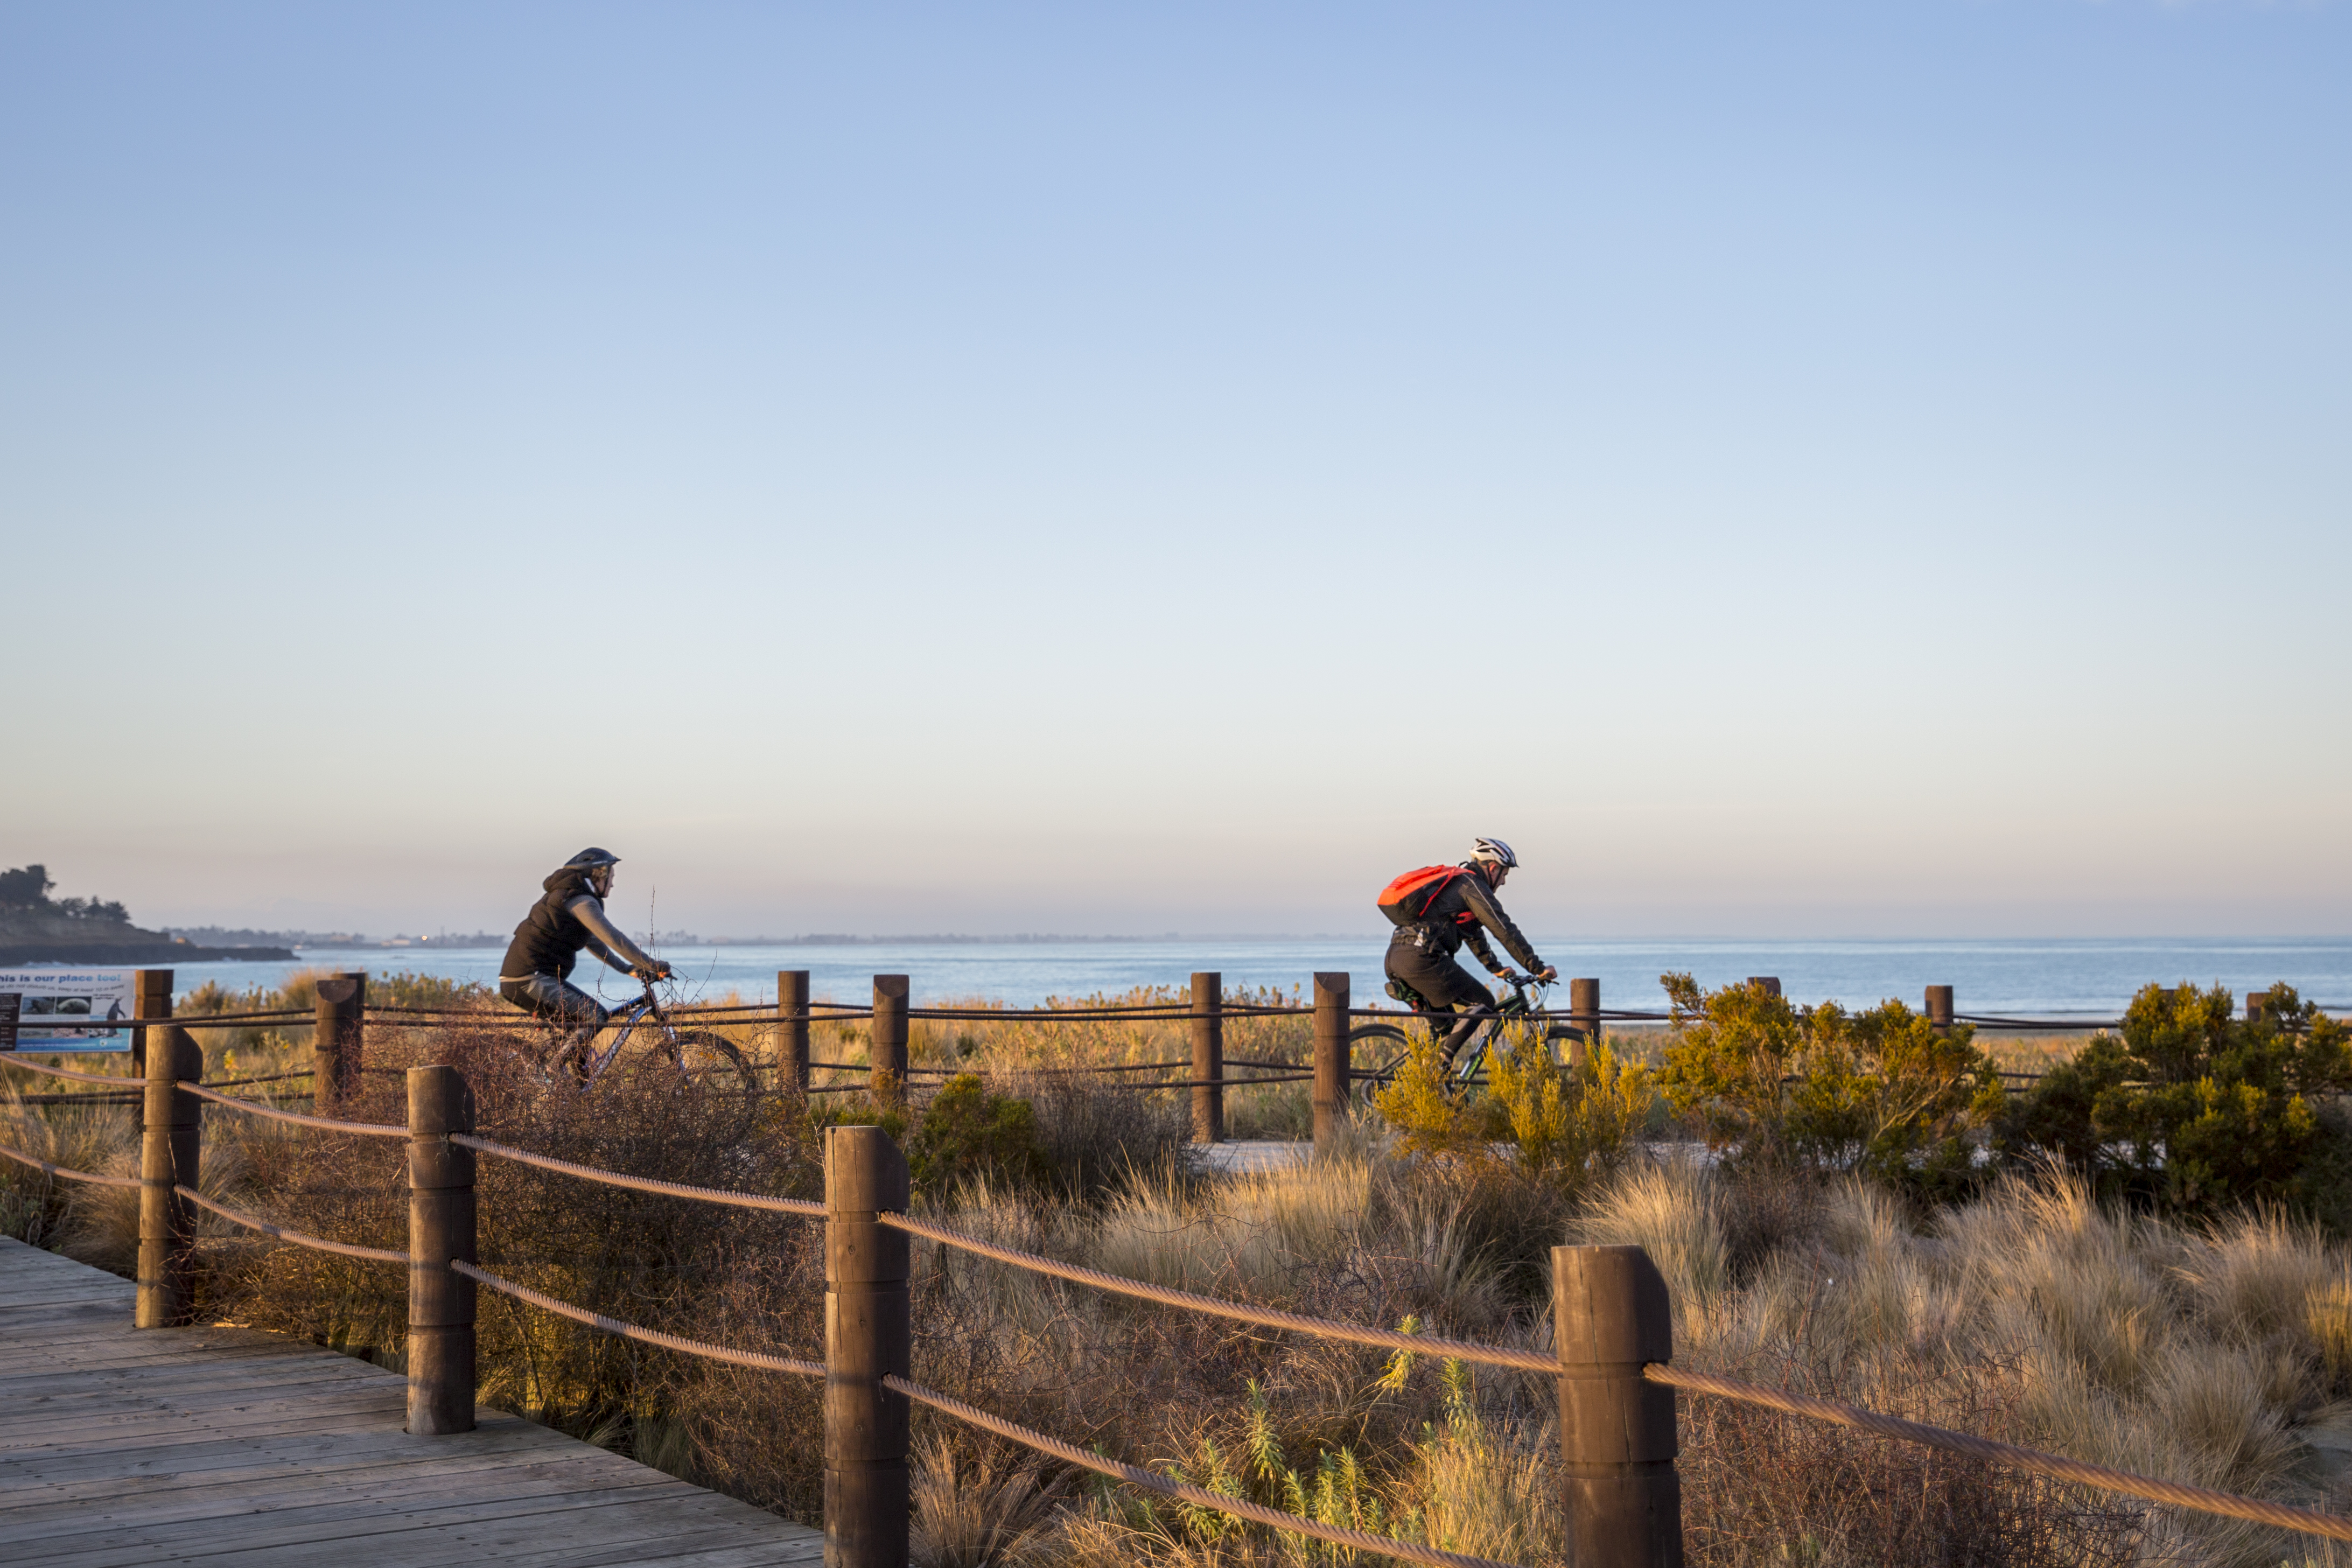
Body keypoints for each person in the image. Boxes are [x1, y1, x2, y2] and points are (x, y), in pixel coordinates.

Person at [1377, 837, 1557, 1069]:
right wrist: (1537, 968)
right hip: (1422, 959)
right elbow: (1503, 929)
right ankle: (1441, 1067)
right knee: (1483, 1002)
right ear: (1493, 868)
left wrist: (1496, 968)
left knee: (1447, 1028)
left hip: (1398, 957)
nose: (1503, 882)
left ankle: (1436, 1086)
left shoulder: (1456, 888)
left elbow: (1472, 933)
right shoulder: (1471, 885)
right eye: (1503, 875)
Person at [499, 848, 673, 1032]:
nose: (612, 885)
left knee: (577, 1027)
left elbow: (593, 941)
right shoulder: (580, 900)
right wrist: (653, 965)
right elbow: (612, 937)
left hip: (521, 979)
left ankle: (563, 1061)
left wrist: (628, 969)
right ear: (600, 875)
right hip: (530, 980)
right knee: (596, 1015)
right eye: (611, 878)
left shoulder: (569, 896)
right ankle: (568, 1061)